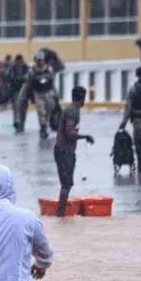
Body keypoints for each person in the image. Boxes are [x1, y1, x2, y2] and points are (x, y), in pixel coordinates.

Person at [54, 86, 95, 217]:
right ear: (82, 97)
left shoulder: (72, 109)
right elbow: (70, 133)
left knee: (66, 184)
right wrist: (85, 137)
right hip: (65, 151)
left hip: (63, 150)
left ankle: (60, 215)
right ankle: (60, 215)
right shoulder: (73, 111)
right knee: (66, 185)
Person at [21, 51, 58, 139]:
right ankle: (43, 128)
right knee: (41, 111)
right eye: (37, 60)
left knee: (49, 109)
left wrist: (56, 94)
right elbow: (28, 83)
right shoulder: (32, 70)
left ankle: (46, 123)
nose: (39, 62)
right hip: (38, 93)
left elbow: (52, 82)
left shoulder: (49, 69)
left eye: (40, 60)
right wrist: (27, 95)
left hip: (48, 92)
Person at [7, 55, 30, 132]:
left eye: (21, 61)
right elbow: (10, 77)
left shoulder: (26, 67)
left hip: (25, 92)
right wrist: (22, 78)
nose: (20, 62)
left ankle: (22, 124)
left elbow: (30, 77)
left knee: (23, 109)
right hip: (15, 91)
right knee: (16, 108)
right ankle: (17, 123)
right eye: (18, 61)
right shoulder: (12, 68)